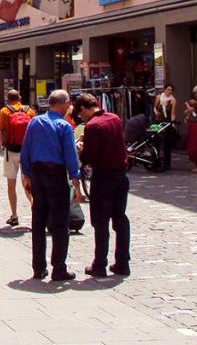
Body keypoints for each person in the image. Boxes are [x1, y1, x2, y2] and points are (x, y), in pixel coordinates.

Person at [20, 89, 83, 282]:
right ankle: (59, 268)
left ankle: (38, 267)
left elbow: (26, 148)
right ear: (64, 104)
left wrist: (26, 174)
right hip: (56, 173)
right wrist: (75, 179)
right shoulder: (63, 126)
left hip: (38, 173)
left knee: (38, 221)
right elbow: (70, 154)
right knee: (60, 222)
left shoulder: (35, 122)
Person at [75, 93, 131, 277]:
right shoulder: (114, 118)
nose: (81, 118)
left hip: (103, 176)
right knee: (120, 218)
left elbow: (89, 157)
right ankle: (122, 262)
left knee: (100, 221)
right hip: (121, 175)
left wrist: (82, 148)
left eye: (80, 114)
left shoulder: (92, 126)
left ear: (84, 109)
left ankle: (100, 263)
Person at [0, 89, 35, 227]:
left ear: (7, 99)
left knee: (11, 184)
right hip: (27, 151)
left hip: (11, 151)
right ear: (20, 98)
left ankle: (14, 215)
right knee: (28, 182)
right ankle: (35, 208)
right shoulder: (29, 111)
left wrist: (2, 146)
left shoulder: (5, 112)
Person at [153, 84, 179, 171]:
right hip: (159, 121)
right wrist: (156, 112)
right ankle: (156, 160)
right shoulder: (159, 97)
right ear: (165, 90)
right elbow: (155, 107)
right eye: (168, 90)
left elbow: (173, 113)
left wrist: (173, 123)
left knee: (167, 143)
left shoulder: (173, 100)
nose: (169, 92)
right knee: (157, 141)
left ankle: (167, 163)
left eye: (171, 90)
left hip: (167, 121)